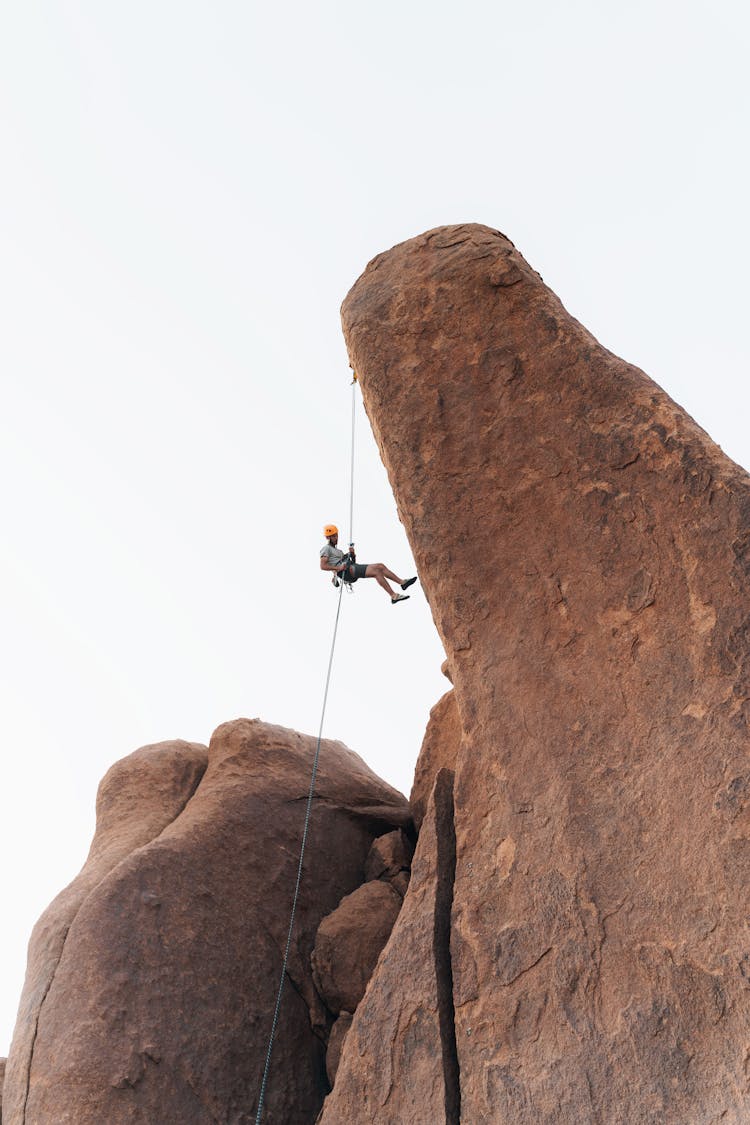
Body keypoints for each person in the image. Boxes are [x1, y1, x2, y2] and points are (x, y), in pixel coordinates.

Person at [320, 524, 417, 604]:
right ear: (327, 537)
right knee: (376, 571)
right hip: (345, 572)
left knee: (380, 567)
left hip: (350, 568)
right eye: (333, 536)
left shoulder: (339, 551)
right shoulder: (326, 549)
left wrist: (353, 554)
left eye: (336, 535)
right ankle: (394, 595)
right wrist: (339, 568)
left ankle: (401, 584)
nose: (336, 538)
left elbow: (353, 562)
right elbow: (323, 566)